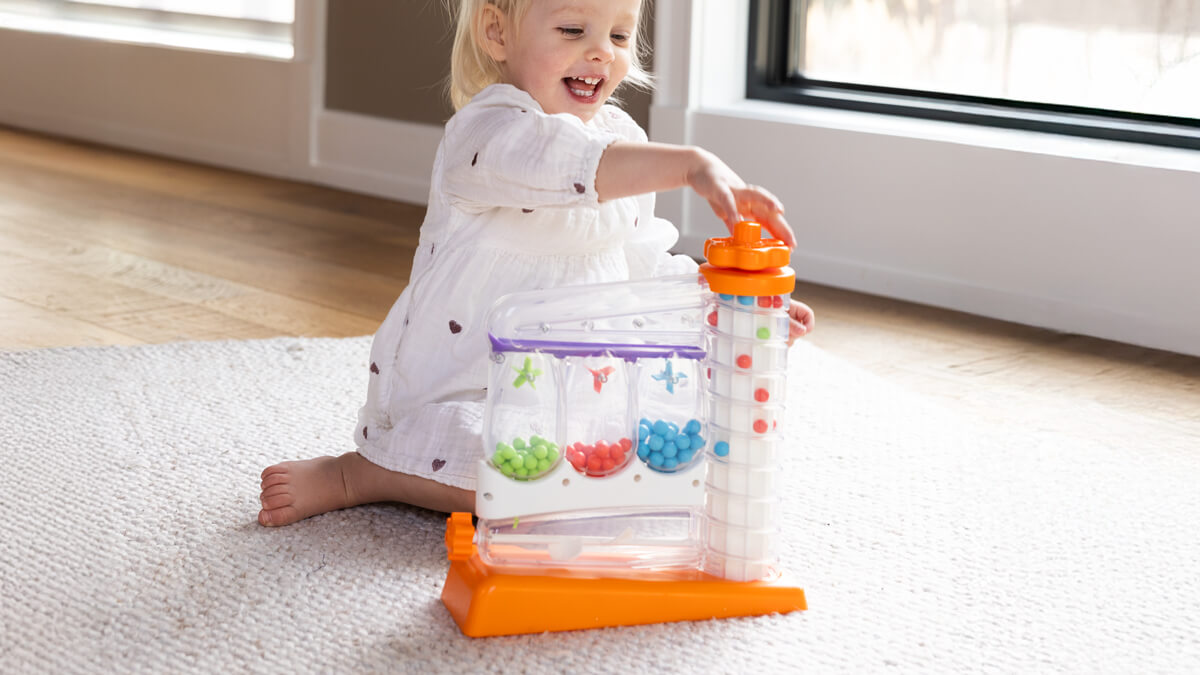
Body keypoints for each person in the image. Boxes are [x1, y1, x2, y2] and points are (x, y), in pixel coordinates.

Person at [257, 0, 815, 527]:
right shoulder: (486, 131)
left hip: (576, 383)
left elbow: (643, 262)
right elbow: (555, 160)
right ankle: (364, 474)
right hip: (470, 385)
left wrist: (733, 313)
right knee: (499, 468)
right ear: (498, 32)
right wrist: (691, 165)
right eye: (573, 31)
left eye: (619, 35)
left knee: (674, 452)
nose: (601, 52)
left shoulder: (622, 138)